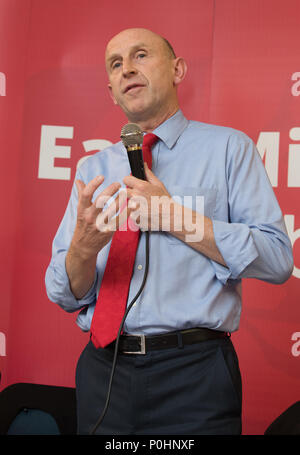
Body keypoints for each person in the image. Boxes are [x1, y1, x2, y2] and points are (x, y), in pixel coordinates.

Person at [45, 28, 293, 435]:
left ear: (177, 69)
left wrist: (173, 217)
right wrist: (83, 251)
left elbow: (278, 259)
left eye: (140, 55)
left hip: (195, 375)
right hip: (105, 372)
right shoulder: (93, 170)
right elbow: (63, 291)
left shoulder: (230, 149)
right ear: (112, 92)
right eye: (116, 64)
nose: (127, 70)